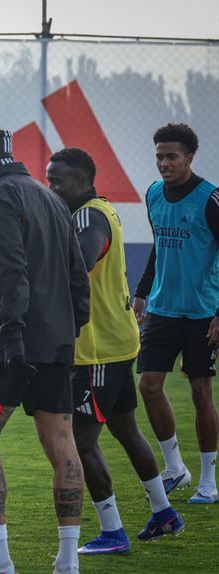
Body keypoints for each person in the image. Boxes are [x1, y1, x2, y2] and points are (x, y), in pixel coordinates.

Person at [0, 124, 90, 574]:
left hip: (12, 340)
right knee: (62, 441)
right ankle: (67, 562)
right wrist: (69, 329)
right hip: (57, 338)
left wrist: (10, 337)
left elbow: (10, 271)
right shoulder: (50, 196)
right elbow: (77, 278)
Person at [46, 147, 183, 555]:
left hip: (96, 351)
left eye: (59, 180)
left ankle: (112, 532)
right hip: (117, 343)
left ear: (84, 181)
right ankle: (163, 512)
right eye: (48, 178)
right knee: (126, 430)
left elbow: (83, 259)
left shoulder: (88, 215)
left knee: (80, 443)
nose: (51, 186)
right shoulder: (97, 210)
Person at [133, 123, 219, 504]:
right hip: (162, 309)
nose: (163, 163)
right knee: (148, 385)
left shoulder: (210, 199)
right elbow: (158, 247)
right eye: (159, 156)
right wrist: (141, 292)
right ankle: (175, 469)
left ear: (189, 157)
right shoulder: (153, 193)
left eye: (171, 156)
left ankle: (208, 480)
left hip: (201, 312)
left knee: (201, 392)